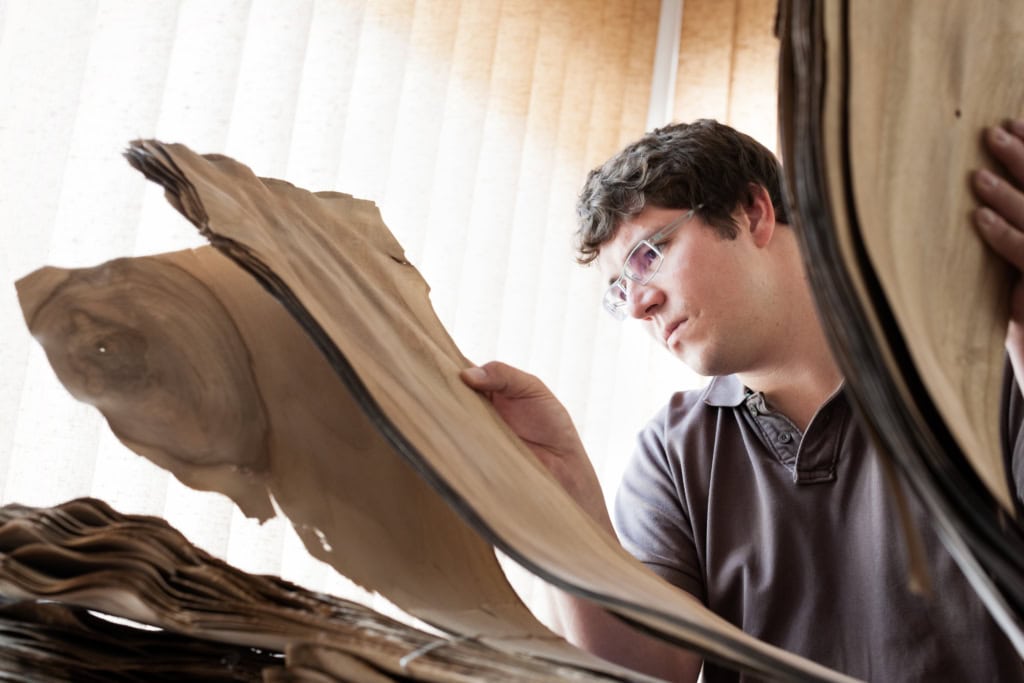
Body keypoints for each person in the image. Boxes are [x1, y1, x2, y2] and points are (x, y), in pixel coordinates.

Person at [460, 118, 1024, 682]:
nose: (638, 305)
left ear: (753, 213)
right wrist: (564, 497)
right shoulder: (673, 452)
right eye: (619, 289)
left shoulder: (985, 374)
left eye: (649, 254)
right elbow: (646, 673)